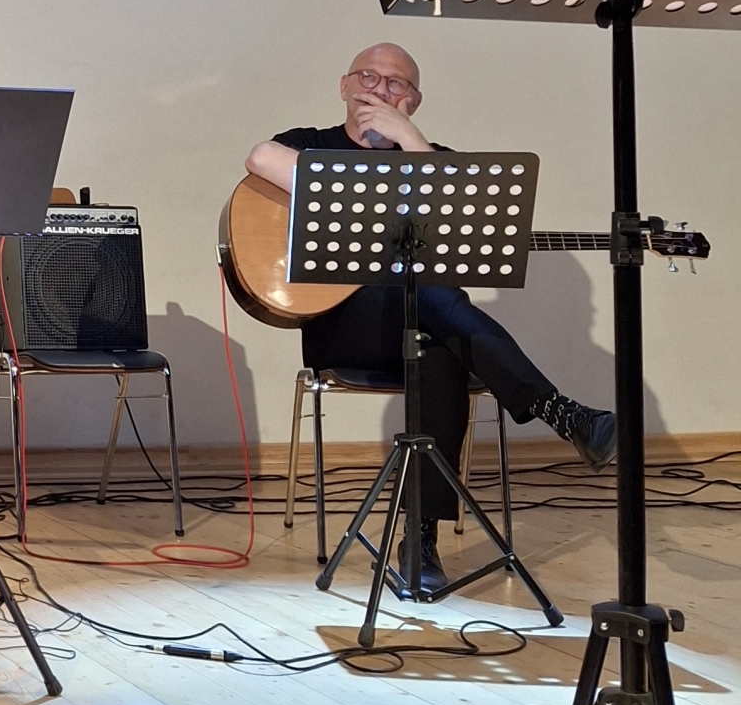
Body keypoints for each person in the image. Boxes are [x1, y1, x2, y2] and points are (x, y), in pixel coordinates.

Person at [247, 40, 616, 597]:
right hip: (343, 329)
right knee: (438, 303)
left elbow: (466, 217)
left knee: (437, 333)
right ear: (345, 86)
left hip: (418, 333)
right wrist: (378, 193)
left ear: (414, 101)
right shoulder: (311, 144)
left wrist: (410, 141)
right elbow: (260, 159)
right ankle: (558, 412)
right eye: (368, 77)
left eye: (396, 84)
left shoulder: (433, 158)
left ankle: (418, 541)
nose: (379, 89)